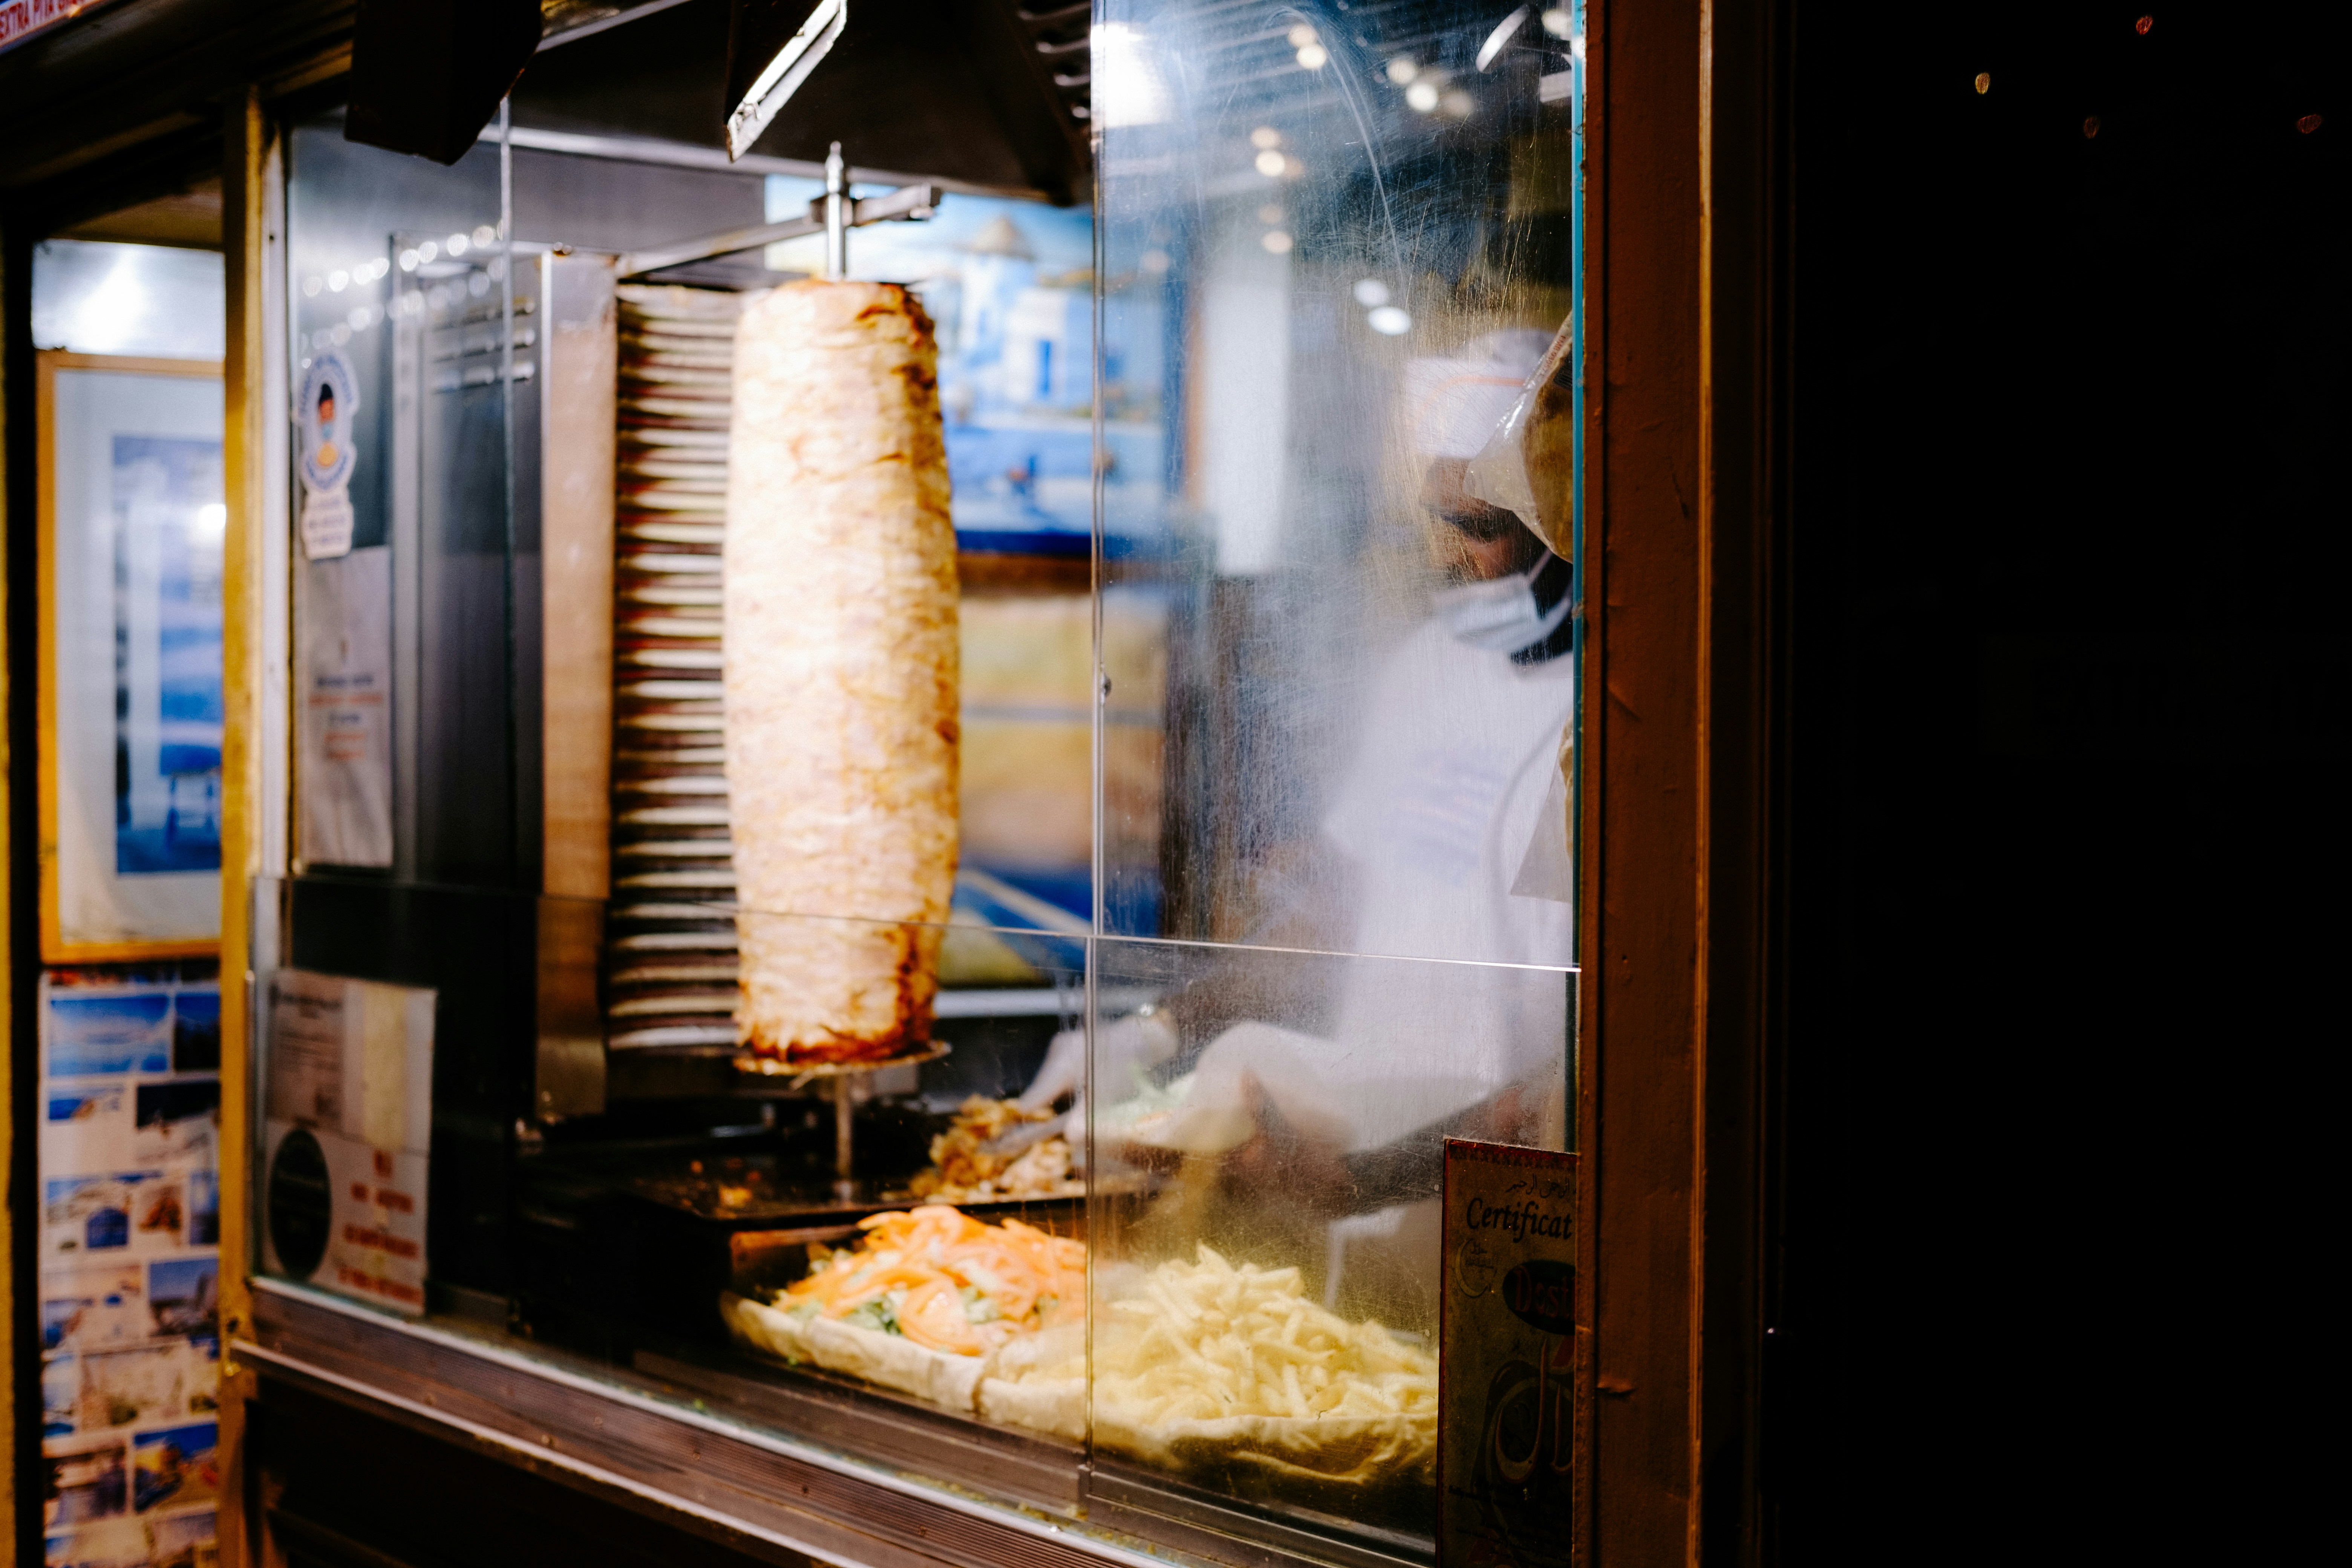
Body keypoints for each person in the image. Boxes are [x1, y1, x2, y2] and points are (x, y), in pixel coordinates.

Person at [1018, 329, 1576, 1306]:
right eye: (1436, 518)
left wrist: (1376, 1174)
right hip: (1359, 1213)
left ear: (1558, 512)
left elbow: (1595, 1060)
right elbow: (1336, 910)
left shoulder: (1622, 715)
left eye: (1481, 523)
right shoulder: (1429, 672)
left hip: (1519, 1222)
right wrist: (1155, 1033)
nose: (1451, 555)